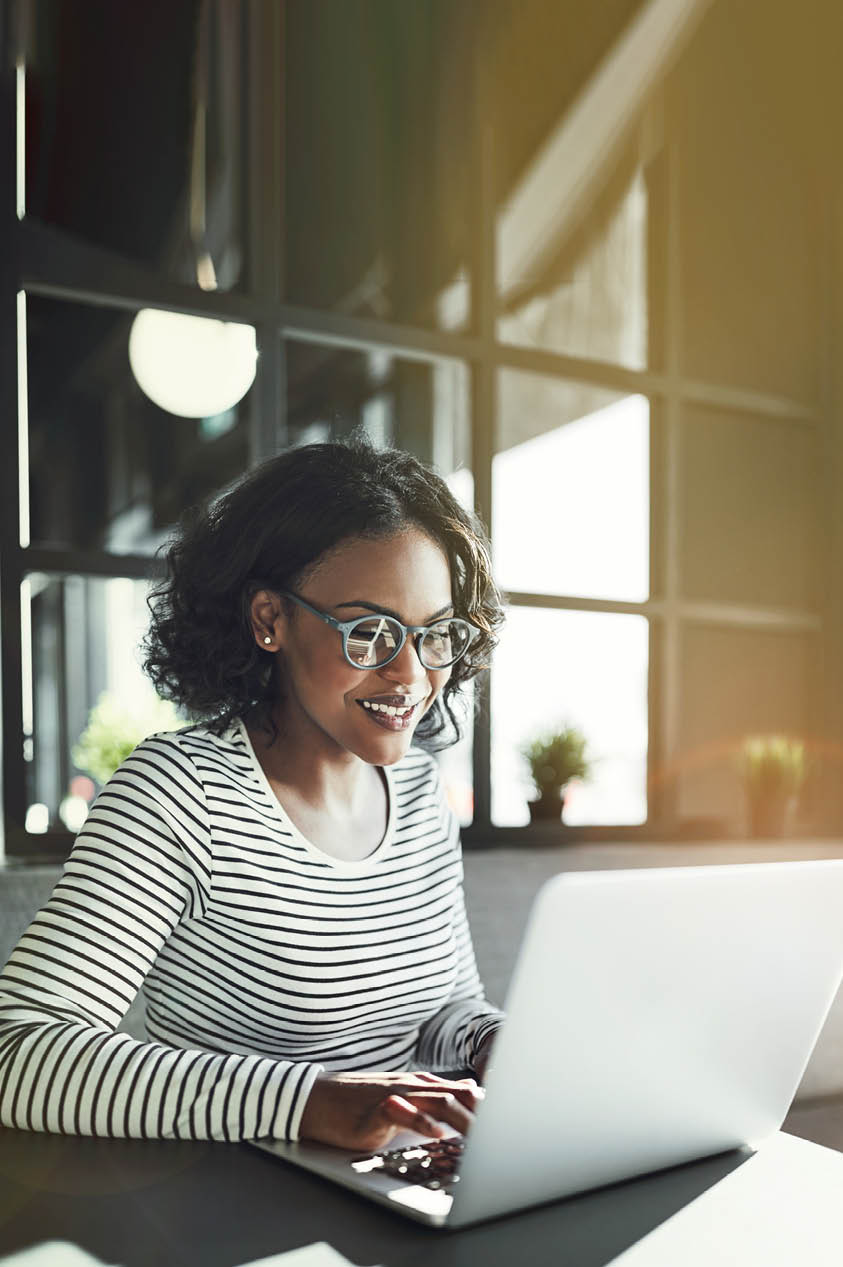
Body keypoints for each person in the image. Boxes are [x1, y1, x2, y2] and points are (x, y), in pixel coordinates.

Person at [0, 435, 506, 1151]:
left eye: (434, 635)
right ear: (270, 619)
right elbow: (19, 1053)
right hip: (234, 1208)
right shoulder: (177, 794)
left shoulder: (420, 790)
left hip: (406, 1181)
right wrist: (309, 1103)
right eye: (369, 633)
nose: (412, 675)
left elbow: (439, 1009)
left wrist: (495, 1042)